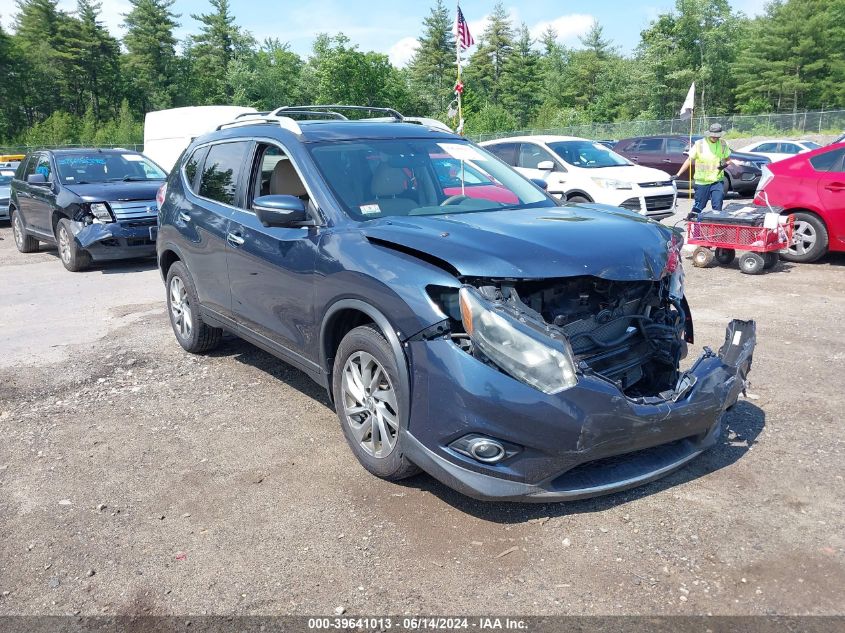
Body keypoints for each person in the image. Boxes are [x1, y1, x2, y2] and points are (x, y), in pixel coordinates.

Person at [675, 123, 731, 213]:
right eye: (713, 136)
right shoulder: (699, 144)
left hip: (717, 181)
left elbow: (728, 160)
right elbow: (689, 160)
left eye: (717, 136)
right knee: (699, 206)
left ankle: (715, 225)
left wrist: (725, 165)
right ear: (709, 134)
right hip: (702, 182)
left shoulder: (723, 144)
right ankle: (694, 225)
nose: (715, 138)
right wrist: (678, 174)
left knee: (717, 205)